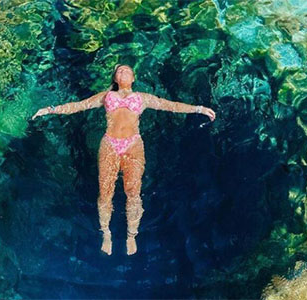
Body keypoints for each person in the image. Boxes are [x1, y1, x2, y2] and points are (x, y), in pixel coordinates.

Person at [32, 64, 216, 255]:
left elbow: (171, 106)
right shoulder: (106, 96)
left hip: (133, 144)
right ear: (114, 78)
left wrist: (199, 108)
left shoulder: (142, 98)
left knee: (133, 192)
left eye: (127, 70)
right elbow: (79, 106)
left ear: (134, 78)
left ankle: (131, 235)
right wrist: (50, 109)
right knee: (105, 193)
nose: (123, 71)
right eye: (119, 70)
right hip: (109, 144)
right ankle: (106, 233)